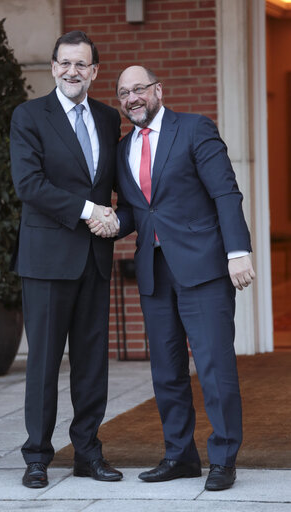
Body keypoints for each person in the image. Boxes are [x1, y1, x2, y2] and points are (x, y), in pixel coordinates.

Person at [87, 65, 255, 491]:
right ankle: (180, 455)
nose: (131, 98)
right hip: (154, 273)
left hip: (204, 268)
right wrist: (110, 221)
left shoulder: (195, 128)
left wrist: (238, 252)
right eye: (123, 93)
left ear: (158, 90)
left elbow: (225, 192)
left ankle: (223, 458)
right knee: (166, 370)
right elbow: (136, 210)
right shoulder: (124, 149)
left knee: (215, 366)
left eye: (138, 89)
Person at [9, 31, 123, 488]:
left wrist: (118, 218)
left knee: (92, 362)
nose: (73, 71)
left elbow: (116, 183)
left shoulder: (108, 117)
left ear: (94, 71)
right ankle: (37, 456)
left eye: (82, 64)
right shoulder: (29, 116)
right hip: (47, 260)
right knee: (44, 363)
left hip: (95, 257)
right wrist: (90, 212)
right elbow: (29, 185)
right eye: (65, 63)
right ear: (53, 67)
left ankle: (88, 453)